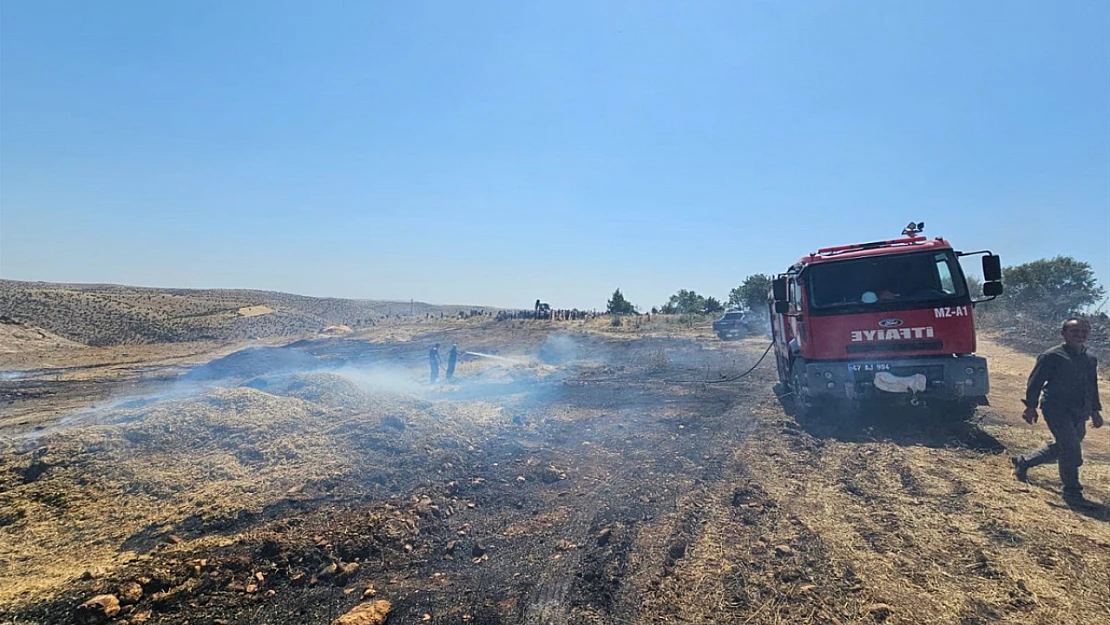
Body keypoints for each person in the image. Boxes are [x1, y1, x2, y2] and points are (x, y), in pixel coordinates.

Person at [1011, 318, 1103, 504]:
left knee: (1063, 446)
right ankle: (1072, 492)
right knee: (1071, 450)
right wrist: (1030, 406)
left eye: (1084, 331)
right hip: (1056, 409)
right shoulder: (1051, 356)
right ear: (1064, 333)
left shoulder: (1090, 359)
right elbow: (1035, 382)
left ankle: (1025, 461)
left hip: (1080, 412)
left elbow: (1092, 385)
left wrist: (1095, 411)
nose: (1080, 335)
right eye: (1075, 331)